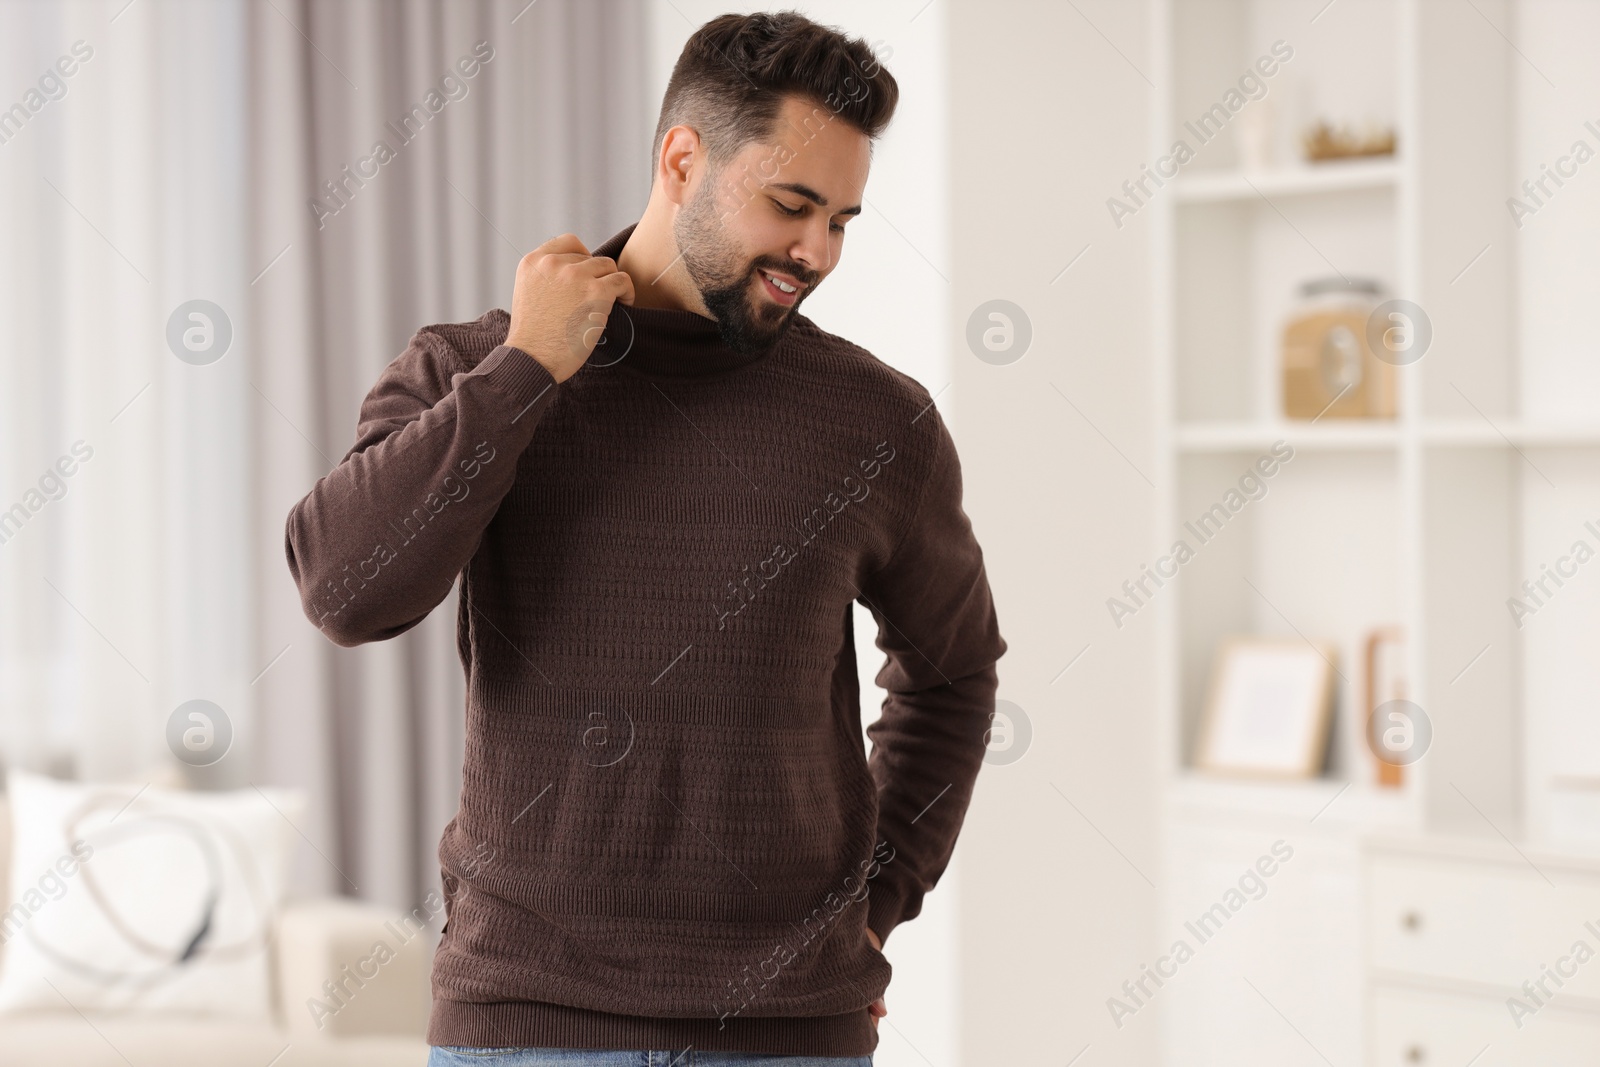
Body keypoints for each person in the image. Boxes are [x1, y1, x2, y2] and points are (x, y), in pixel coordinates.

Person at [284, 10, 1006, 1066]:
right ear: (681, 160)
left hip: (787, 1035)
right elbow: (344, 590)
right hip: (526, 1028)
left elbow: (955, 672)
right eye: (791, 205)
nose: (817, 251)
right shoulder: (475, 372)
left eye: (843, 219)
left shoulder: (874, 420)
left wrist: (880, 895)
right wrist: (526, 371)